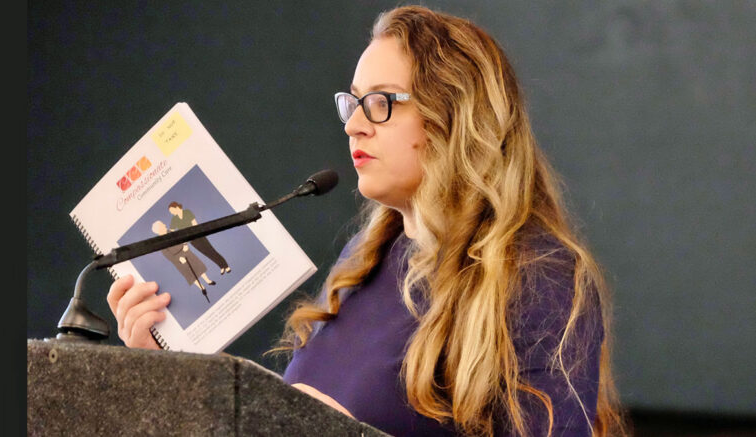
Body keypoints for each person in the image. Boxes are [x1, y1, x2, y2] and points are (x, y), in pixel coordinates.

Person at [107, 5, 626, 436]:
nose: (354, 125)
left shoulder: (541, 277)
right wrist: (166, 365)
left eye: (379, 103)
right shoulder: (367, 255)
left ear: (455, 113)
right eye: (351, 104)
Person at [151, 220, 215, 303]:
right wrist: (179, 259)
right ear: (159, 229)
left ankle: (208, 281)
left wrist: (185, 245)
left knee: (198, 266)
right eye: (162, 225)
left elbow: (181, 238)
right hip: (178, 259)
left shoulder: (170, 231)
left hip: (186, 251)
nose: (164, 224)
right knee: (191, 274)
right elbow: (168, 255)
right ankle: (202, 287)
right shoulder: (160, 242)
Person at [168, 201, 232, 275]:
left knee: (211, 251)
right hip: (192, 241)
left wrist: (194, 233)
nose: (171, 213)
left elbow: (195, 223)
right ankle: (221, 267)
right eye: (170, 212)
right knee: (207, 254)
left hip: (199, 236)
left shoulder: (187, 212)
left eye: (172, 211)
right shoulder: (174, 219)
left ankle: (226, 266)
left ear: (176, 207)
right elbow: (171, 231)